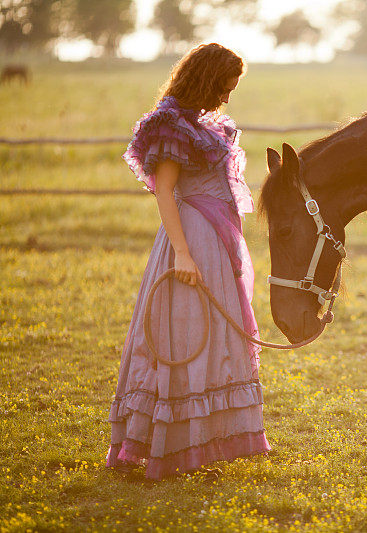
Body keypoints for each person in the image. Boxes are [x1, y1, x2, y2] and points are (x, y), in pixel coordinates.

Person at [106, 43, 269, 479]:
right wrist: (182, 252)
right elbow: (165, 191)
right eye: (224, 87)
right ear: (206, 79)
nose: (227, 97)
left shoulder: (204, 124)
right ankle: (168, 442)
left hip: (215, 241)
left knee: (215, 337)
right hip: (191, 239)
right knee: (183, 333)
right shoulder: (170, 125)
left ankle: (206, 439)